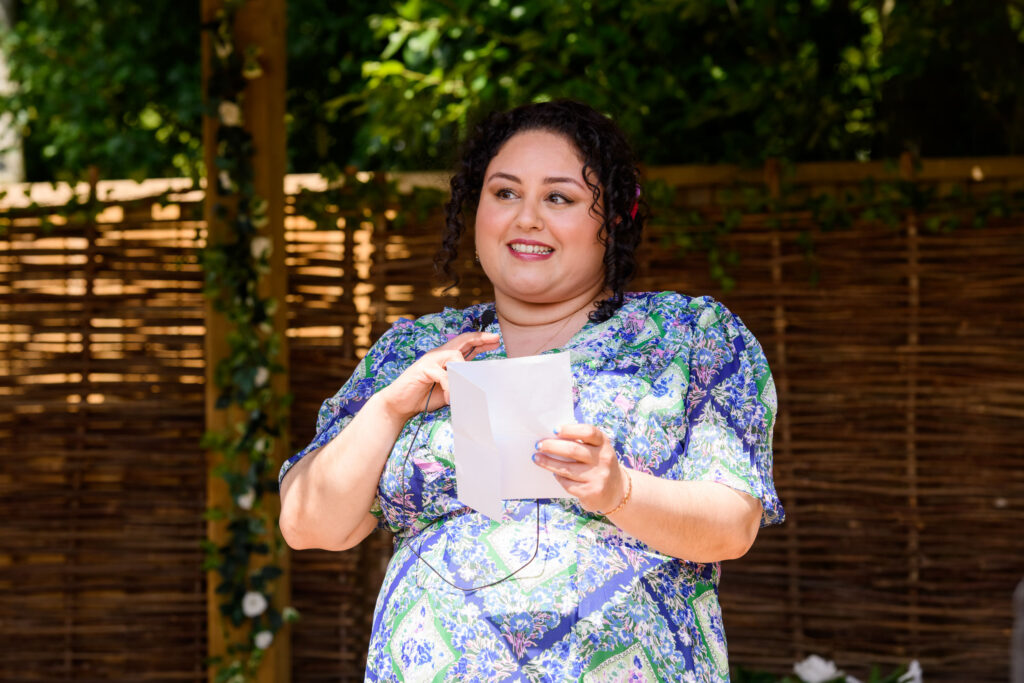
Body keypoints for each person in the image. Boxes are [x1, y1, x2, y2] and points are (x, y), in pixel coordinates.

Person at [278, 99, 784, 682]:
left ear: (612, 217)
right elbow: (309, 523)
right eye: (505, 193)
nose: (527, 218)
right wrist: (391, 405)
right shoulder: (414, 350)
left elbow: (732, 526)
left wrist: (617, 491)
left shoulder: (690, 335)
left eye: (559, 197)